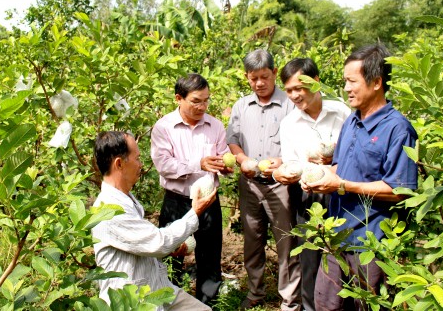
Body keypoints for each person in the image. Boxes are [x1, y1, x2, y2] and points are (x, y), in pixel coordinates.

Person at [302, 43, 418, 310]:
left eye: (352, 81)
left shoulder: (398, 129)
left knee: (366, 305)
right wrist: (319, 177)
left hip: (371, 244)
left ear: (376, 82)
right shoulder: (352, 122)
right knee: (326, 305)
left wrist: (341, 185)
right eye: (345, 81)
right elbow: (339, 169)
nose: (346, 88)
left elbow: (400, 190)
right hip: (336, 238)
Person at [91, 131, 216, 311]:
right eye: (137, 158)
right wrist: (195, 212)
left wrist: (171, 249)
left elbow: (143, 243)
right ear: (119, 164)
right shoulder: (108, 209)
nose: (141, 165)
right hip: (132, 301)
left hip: (157, 289)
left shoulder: (126, 199)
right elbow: (158, 243)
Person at [272, 58, 351, 311]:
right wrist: (285, 172)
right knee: (310, 258)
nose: (295, 95)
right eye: (289, 90)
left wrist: (334, 158)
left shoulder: (342, 112)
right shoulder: (289, 124)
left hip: (341, 193)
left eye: (300, 87)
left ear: (316, 82)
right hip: (307, 197)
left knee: (344, 255)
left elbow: (353, 153)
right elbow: (291, 162)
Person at [226, 49, 301, 311]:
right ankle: (255, 292)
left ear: (274, 72)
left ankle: (290, 301)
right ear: (247, 77)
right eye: (253, 78)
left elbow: (299, 143)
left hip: (281, 185)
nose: (259, 83)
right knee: (252, 241)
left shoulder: (290, 104)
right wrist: (241, 159)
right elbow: (233, 140)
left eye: (264, 77)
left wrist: (282, 162)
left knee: (286, 242)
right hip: (250, 185)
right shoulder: (241, 106)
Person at [150, 73, 232, 305]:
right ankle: (168, 305)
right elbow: (164, 165)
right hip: (178, 202)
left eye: (206, 100)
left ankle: (207, 305)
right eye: (196, 101)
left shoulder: (214, 125)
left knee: (209, 258)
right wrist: (199, 164)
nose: (202, 106)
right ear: (179, 98)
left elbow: (222, 153)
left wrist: (224, 164)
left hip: (207, 202)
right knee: (170, 258)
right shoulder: (164, 127)